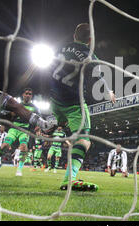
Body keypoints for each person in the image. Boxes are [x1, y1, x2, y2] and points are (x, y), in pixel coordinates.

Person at [49, 23, 116, 191]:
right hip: (73, 105)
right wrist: (109, 91)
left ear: (74, 36)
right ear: (90, 40)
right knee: (85, 142)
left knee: (72, 137)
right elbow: (99, 75)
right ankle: (69, 179)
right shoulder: (88, 54)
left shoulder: (61, 48)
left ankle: (57, 128)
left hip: (54, 101)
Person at [0, 88, 41, 176]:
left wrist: (38, 128)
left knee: (23, 147)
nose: (28, 95)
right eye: (26, 93)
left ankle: (19, 170)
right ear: (23, 95)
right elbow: (8, 114)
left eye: (30, 94)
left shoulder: (35, 108)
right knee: (5, 145)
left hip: (24, 131)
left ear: (31, 96)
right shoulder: (16, 105)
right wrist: (10, 114)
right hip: (14, 129)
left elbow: (38, 119)